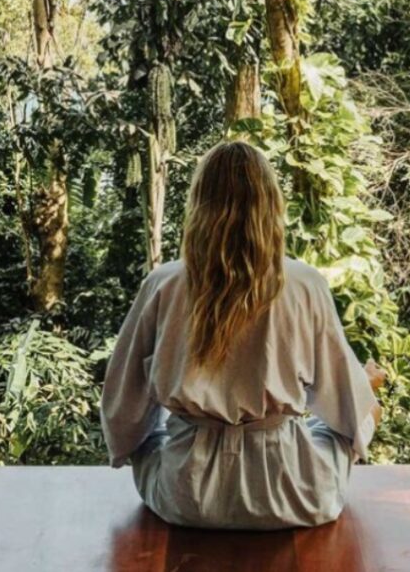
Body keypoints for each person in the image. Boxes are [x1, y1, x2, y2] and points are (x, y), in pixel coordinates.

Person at [100, 141, 385, 530]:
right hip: (289, 497)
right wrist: (365, 400)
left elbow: (122, 409)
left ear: (199, 206)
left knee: (150, 435)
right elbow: (347, 409)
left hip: (186, 497)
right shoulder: (305, 285)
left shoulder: (163, 284)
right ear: (271, 205)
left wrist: (137, 440)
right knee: (342, 423)